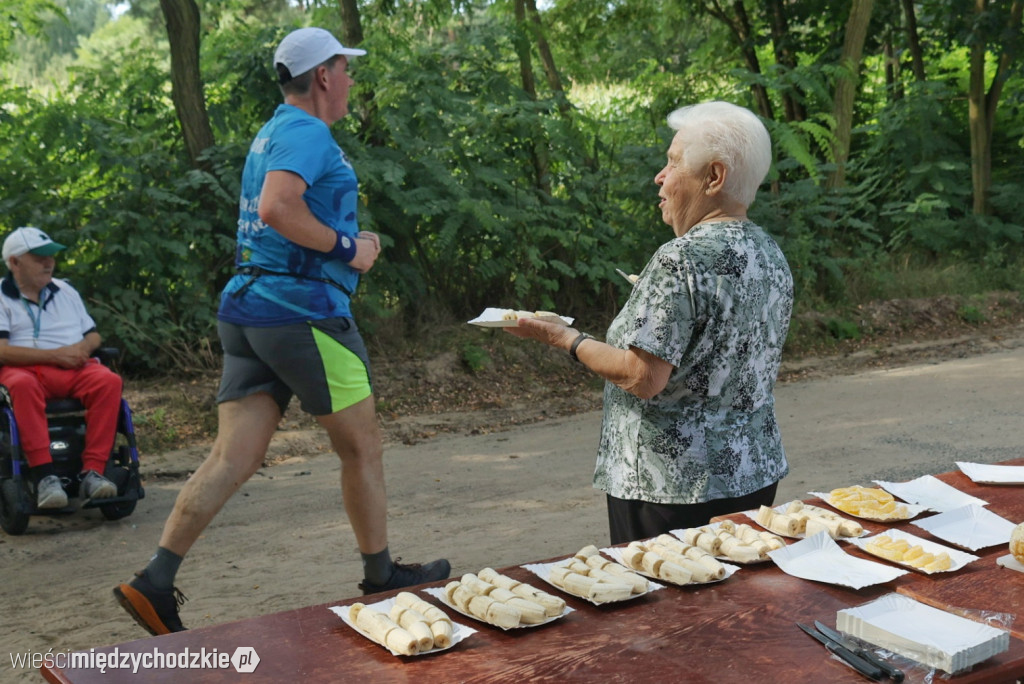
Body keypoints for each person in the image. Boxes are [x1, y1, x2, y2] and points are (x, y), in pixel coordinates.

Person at [113, 27, 449, 636]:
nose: (350, 79)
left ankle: (154, 581)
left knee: (230, 457)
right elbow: (276, 208)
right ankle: (381, 578)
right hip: (304, 316)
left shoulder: (272, 130)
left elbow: (276, 215)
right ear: (323, 75)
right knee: (362, 445)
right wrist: (350, 247)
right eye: (345, 69)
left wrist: (343, 243)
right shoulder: (306, 132)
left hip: (250, 311)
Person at [506, 101, 794, 545]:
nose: (660, 176)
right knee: (735, 608)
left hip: (672, 490)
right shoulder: (768, 252)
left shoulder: (680, 258)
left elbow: (643, 378)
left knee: (668, 611)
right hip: (752, 476)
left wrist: (564, 338)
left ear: (714, 178)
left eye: (674, 162)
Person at [0, 226, 122, 509]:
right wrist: (56, 356)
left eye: (51, 256)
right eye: (39, 257)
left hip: (74, 367)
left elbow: (93, 335)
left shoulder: (65, 290)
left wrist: (83, 349)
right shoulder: (2, 297)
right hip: (26, 370)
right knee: (21, 384)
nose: (49, 262)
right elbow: (2, 351)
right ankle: (45, 476)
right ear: (14, 263)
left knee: (108, 381)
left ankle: (93, 471)